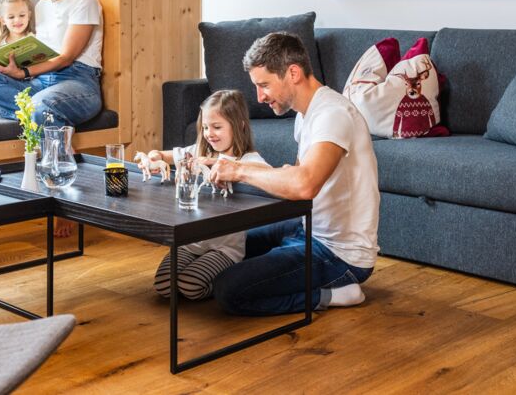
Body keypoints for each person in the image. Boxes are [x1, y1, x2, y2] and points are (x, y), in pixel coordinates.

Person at [206, 31, 380, 315]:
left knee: (228, 290)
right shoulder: (304, 115)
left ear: (293, 73)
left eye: (264, 85)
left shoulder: (332, 114)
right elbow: (295, 178)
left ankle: (332, 294)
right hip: (306, 227)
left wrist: (239, 170)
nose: (259, 97)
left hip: (339, 254)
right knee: (228, 242)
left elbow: (304, 185)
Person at [0, 0, 104, 237]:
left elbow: (67, 57)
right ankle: (45, 125)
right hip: (42, 82)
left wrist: (24, 72)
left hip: (78, 82)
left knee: (44, 106)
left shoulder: (83, 1)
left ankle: (62, 200)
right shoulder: (44, 6)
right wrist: (12, 64)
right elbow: (42, 55)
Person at [136, 90, 269, 300]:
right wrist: (153, 158)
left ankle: (226, 280)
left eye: (217, 127)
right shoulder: (198, 150)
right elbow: (161, 154)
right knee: (163, 287)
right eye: (206, 127)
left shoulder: (249, 159)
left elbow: (267, 174)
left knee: (190, 286)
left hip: (225, 248)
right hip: (191, 242)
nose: (209, 133)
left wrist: (219, 164)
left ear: (239, 125)